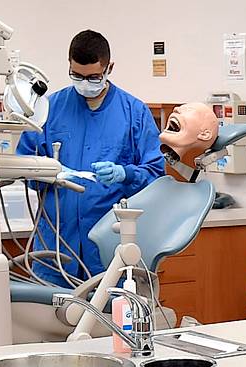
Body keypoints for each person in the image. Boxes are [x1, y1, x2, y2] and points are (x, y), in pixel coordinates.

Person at [17, 30, 165, 287]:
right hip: (56, 248)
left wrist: (125, 173)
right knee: (50, 321)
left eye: (93, 77)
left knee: (111, 322)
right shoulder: (49, 109)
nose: (85, 83)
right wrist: (46, 172)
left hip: (110, 251)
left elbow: (155, 174)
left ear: (109, 68)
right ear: (69, 66)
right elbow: (23, 163)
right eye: (77, 75)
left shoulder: (134, 113)